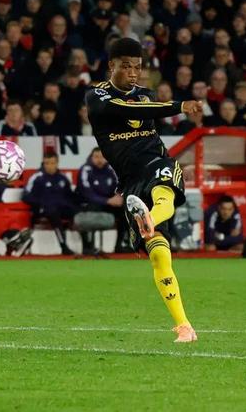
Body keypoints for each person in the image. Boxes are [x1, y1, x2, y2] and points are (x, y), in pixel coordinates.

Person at [85, 37, 204, 343]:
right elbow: (126, 111)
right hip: (130, 183)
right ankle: (184, 326)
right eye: (126, 67)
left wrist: (171, 110)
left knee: (164, 195)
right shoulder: (96, 96)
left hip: (158, 163)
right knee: (159, 256)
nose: (133, 73)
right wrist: (179, 106)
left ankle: (148, 217)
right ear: (111, 66)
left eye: (137, 67)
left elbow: (146, 113)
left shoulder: (146, 96)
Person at [23, 152, 78, 256]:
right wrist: (41, 203)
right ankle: (64, 247)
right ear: (43, 163)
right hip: (42, 209)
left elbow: (70, 196)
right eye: (47, 163)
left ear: (57, 163)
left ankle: (87, 247)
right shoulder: (37, 178)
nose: (49, 166)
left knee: (80, 213)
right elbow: (26, 196)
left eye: (52, 163)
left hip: (61, 208)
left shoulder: (63, 178)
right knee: (53, 212)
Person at [76, 147, 129, 254]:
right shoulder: (86, 170)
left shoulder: (111, 169)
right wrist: (107, 201)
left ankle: (120, 244)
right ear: (91, 157)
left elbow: (120, 185)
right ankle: (88, 246)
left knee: (125, 210)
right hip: (89, 203)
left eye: (102, 157)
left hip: (108, 203)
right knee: (91, 210)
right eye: (96, 157)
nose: (99, 160)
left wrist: (118, 196)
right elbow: (87, 193)